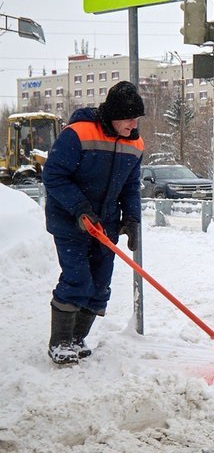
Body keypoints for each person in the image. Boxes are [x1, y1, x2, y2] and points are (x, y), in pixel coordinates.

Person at [42, 81, 145, 365]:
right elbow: (53, 176)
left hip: (104, 226)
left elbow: (131, 187)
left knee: (100, 286)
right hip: (70, 221)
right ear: (113, 115)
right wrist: (80, 209)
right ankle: (60, 343)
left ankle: (77, 338)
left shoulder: (135, 144)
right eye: (128, 118)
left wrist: (132, 218)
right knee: (77, 279)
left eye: (137, 118)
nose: (133, 124)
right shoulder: (78, 133)